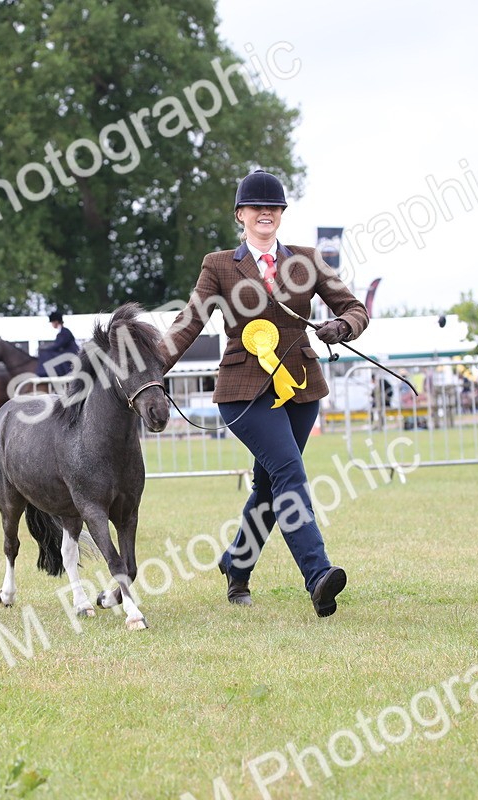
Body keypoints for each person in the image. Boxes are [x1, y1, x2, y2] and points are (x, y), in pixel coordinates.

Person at [158, 169, 369, 617]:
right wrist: (151, 366)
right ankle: (318, 575)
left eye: (273, 207)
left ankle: (236, 565)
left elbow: (354, 308)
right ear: (241, 215)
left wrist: (340, 327)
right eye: (256, 207)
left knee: (270, 485)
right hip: (243, 391)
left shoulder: (308, 260)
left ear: (281, 214)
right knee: (290, 471)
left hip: (300, 387)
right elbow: (191, 321)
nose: (265, 213)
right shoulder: (218, 265)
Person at [36, 310, 81, 376]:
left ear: (56, 322)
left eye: (52, 322)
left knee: (46, 353)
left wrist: (45, 349)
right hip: (66, 353)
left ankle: (45, 373)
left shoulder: (64, 332)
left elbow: (57, 346)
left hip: (70, 355)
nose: (52, 324)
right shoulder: (62, 332)